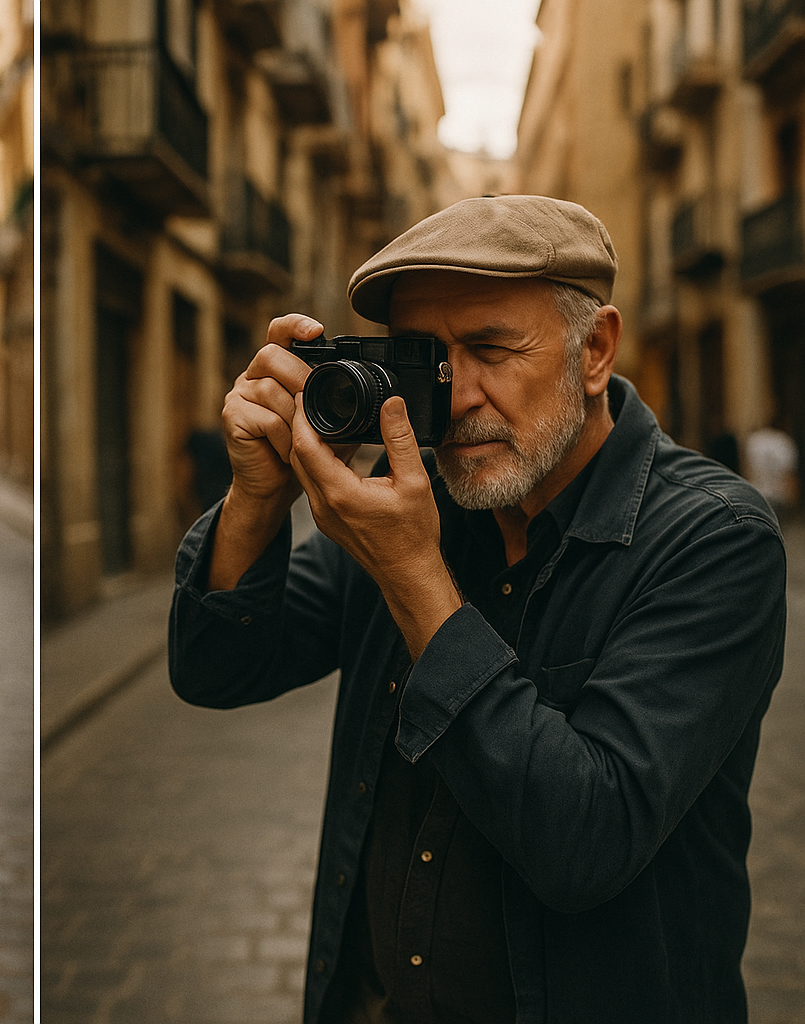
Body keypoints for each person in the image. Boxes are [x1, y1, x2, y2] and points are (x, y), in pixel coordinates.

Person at [169, 195, 786, 1023]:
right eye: (429, 361)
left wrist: (414, 576)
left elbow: (586, 842)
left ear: (594, 350)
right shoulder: (422, 506)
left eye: (491, 349)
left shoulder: (712, 539)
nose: (457, 399)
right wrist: (255, 497)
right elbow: (215, 667)